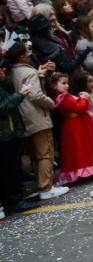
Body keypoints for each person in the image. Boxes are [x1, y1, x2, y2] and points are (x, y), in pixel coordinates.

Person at [6, 43, 67, 200]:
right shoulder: (28, 72)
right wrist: (51, 103)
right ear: (21, 56)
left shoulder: (12, 72)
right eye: (27, 52)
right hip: (37, 116)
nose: (30, 54)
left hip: (23, 117)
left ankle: (41, 185)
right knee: (46, 153)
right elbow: (36, 95)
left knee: (35, 154)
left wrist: (39, 74)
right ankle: (46, 187)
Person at [46, 71, 93, 184]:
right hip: (74, 126)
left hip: (75, 124)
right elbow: (79, 108)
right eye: (63, 83)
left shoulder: (63, 96)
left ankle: (85, 172)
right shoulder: (63, 97)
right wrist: (84, 99)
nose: (66, 85)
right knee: (79, 149)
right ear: (54, 85)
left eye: (67, 83)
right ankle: (83, 172)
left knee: (80, 148)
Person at [0, 51, 38, 216]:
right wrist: (18, 96)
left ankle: (14, 199)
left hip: (9, 132)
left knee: (12, 167)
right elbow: (2, 108)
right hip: (4, 134)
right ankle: (13, 201)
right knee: (9, 169)